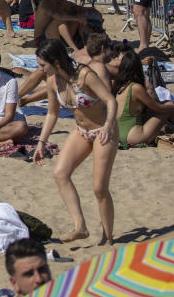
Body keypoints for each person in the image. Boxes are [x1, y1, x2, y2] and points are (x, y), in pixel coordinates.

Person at [22, 39, 119, 245]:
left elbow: (110, 100)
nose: (40, 69)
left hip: (103, 130)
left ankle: (108, 237)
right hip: (81, 130)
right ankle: (80, 226)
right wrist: (41, 142)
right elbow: (51, 113)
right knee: (60, 174)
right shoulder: (52, 81)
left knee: (99, 188)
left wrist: (109, 125)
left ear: (56, 62)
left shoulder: (85, 76)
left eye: (42, 65)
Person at [111, 51, 174, 148]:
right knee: (169, 109)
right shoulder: (135, 88)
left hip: (118, 134)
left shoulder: (118, 84)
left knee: (165, 108)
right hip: (133, 136)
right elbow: (159, 108)